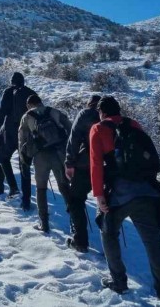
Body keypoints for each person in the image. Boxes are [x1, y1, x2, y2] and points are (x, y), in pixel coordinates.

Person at [90, 96, 160, 305]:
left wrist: (99, 194)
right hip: (146, 191)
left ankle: (119, 281)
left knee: (108, 232)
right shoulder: (133, 124)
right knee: (153, 241)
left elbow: (96, 164)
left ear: (102, 112)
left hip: (119, 193)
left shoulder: (98, 129)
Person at [18, 95, 72, 233]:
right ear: (40, 102)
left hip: (40, 156)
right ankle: (75, 221)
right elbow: (70, 128)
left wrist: (24, 158)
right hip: (59, 154)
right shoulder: (54, 111)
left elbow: (22, 139)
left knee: (41, 188)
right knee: (64, 186)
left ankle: (44, 223)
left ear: (29, 104)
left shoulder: (27, 116)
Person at [0, 72, 37, 209]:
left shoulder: (8, 92)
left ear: (12, 81)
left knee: (3, 157)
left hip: (10, 131)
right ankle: (26, 201)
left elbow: (0, 114)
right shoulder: (30, 93)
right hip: (27, 132)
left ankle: (13, 187)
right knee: (25, 165)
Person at [63, 95, 101, 252]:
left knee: (76, 201)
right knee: (106, 203)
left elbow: (74, 139)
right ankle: (110, 243)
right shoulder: (111, 117)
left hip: (86, 164)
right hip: (108, 166)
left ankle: (80, 241)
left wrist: (69, 163)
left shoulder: (85, 114)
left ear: (89, 103)